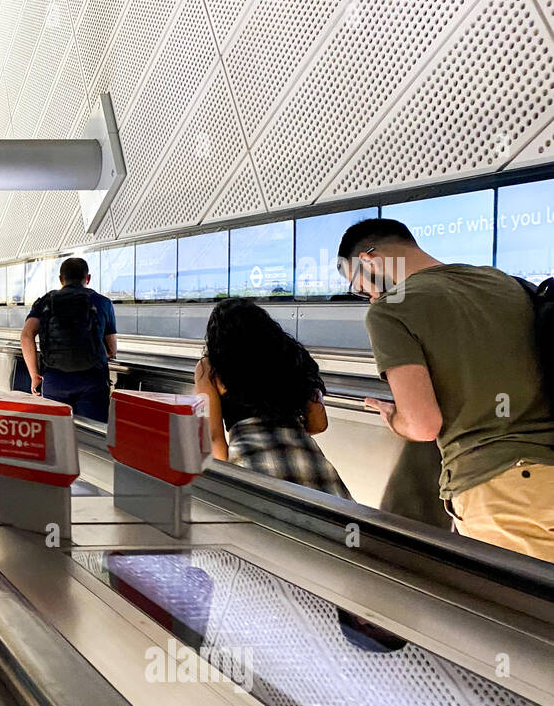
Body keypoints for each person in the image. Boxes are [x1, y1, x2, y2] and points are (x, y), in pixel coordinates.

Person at [339, 217, 554, 561]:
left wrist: (394, 417)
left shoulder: (391, 310)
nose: (369, 297)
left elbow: (423, 424)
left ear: (367, 260)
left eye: (360, 287)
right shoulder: (506, 283)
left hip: (500, 493)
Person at [194, 298, 351, 498]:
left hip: (252, 465)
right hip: (310, 465)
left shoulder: (209, 369)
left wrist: (225, 485)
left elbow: (214, 438)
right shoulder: (292, 357)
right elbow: (319, 424)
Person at [20, 256, 117, 422]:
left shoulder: (45, 302)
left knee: (56, 435)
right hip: (92, 381)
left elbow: (26, 335)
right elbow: (111, 350)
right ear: (87, 278)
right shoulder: (103, 303)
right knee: (92, 435)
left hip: (55, 379)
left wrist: (34, 374)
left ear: (61, 279)